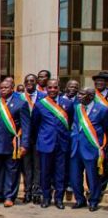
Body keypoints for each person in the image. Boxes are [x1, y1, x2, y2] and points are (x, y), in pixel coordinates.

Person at [0, 80, 31, 208]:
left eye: (6, 87)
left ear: (12, 88)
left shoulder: (21, 104)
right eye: (1, 88)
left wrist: (24, 144)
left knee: (12, 171)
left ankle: (9, 196)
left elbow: (26, 126)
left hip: (13, 145)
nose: (3, 89)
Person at [32, 79, 73, 209]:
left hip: (62, 143)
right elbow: (35, 124)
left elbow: (70, 122)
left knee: (60, 172)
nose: (52, 90)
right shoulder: (40, 105)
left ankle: (59, 199)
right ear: (46, 89)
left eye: (55, 87)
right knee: (45, 172)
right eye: (50, 88)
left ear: (59, 88)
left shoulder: (67, 103)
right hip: (46, 143)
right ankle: (46, 198)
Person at [70, 87, 108, 211]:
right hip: (76, 148)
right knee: (75, 177)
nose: (78, 96)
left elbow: (105, 129)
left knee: (93, 177)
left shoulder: (102, 109)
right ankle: (80, 200)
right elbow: (75, 124)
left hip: (91, 148)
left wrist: (102, 146)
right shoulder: (77, 108)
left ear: (91, 96)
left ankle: (93, 201)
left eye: (82, 94)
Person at [20, 74, 45, 204]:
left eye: (32, 81)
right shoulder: (19, 97)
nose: (29, 83)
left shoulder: (44, 97)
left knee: (37, 166)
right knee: (26, 167)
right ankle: (27, 191)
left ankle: (37, 191)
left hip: (39, 137)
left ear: (36, 82)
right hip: (24, 138)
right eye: (27, 81)